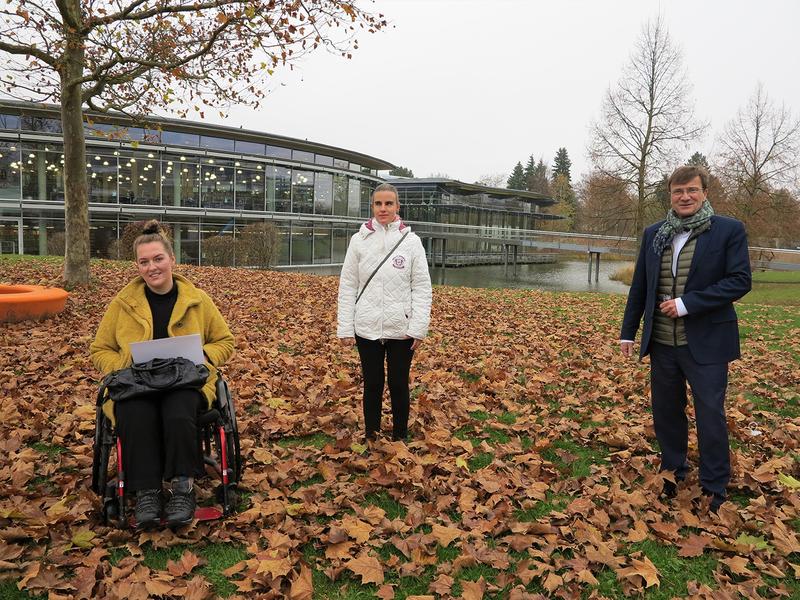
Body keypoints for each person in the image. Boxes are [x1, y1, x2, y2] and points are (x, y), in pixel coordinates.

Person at [620, 165, 751, 511]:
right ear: (670, 195)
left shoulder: (728, 231)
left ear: (705, 192)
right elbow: (641, 287)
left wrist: (687, 303)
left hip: (707, 343)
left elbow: (740, 281)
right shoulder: (654, 234)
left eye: (692, 190)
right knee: (666, 412)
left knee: (710, 413)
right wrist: (627, 333)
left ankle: (714, 485)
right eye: (678, 191)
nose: (685, 197)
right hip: (662, 343)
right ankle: (673, 470)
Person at [90, 220, 234, 528]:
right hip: (136, 383)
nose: (152, 267)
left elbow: (225, 341)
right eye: (144, 262)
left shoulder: (197, 300)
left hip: (185, 380)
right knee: (132, 411)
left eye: (158, 259)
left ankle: (182, 488)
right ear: (137, 266)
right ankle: (148, 492)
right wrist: (122, 365)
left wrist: (205, 358)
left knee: (179, 409)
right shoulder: (123, 303)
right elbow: (100, 349)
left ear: (172, 259)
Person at [337, 183, 432, 442]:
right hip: (366, 326)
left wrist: (418, 328)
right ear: (373, 206)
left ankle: (400, 436)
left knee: (399, 384)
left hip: (401, 328)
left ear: (397, 207)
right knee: (373, 384)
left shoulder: (411, 243)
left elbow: (422, 287)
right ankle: (372, 435)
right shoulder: (359, 241)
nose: (383, 208)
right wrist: (345, 328)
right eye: (378, 203)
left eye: (389, 203)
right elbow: (348, 284)